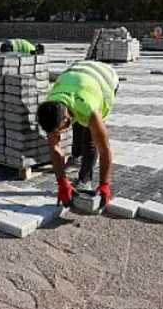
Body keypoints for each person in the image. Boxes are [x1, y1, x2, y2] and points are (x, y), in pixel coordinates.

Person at [37, 61, 118, 207]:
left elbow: (105, 149)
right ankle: (77, 158)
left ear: (66, 117)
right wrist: (62, 183)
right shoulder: (52, 106)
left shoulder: (90, 110)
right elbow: (55, 148)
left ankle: (85, 179)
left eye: (59, 129)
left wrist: (104, 184)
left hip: (105, 78)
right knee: (78, 126)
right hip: (76, 79)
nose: (58, 134)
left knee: (90, 138)